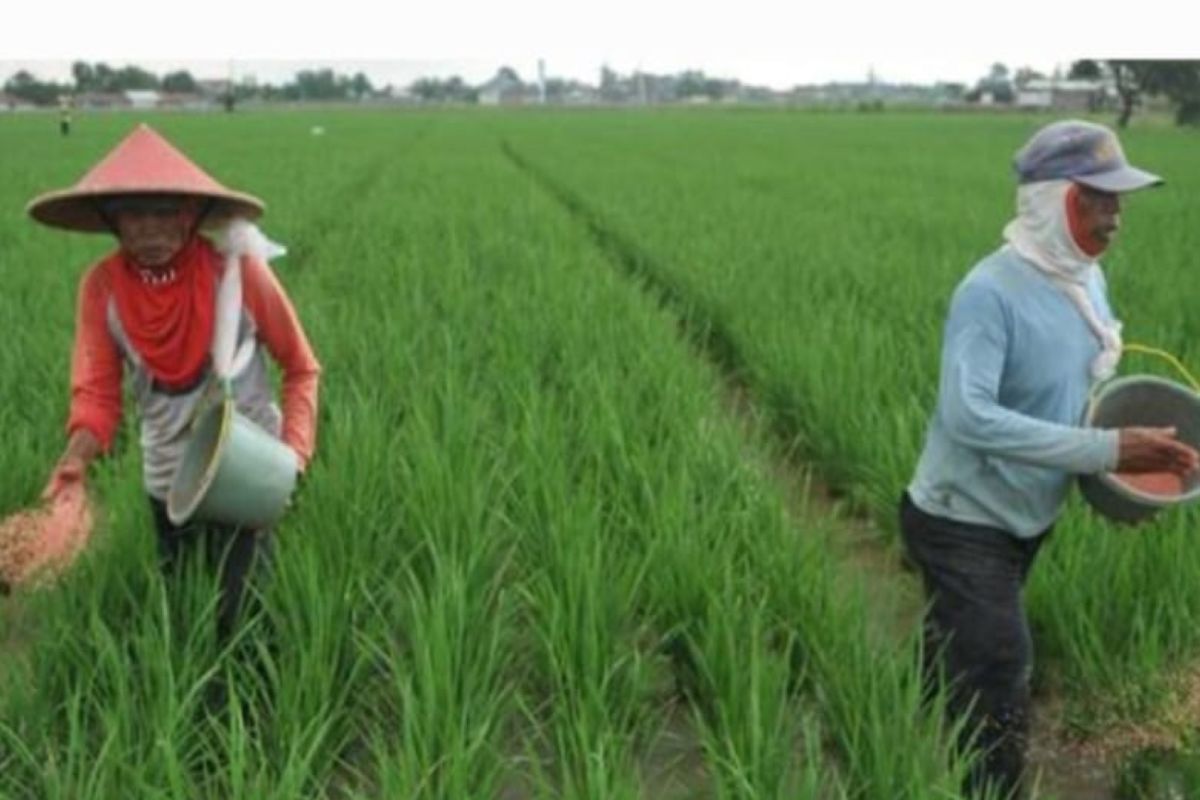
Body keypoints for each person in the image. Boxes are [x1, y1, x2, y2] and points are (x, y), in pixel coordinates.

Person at [899, 119, 1199, 798]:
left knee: (961, 639)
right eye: (1100, 197)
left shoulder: (1085, 283)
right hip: (960, 518)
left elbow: (1075, 397)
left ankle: (902, 717)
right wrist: (1106, 449)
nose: (1116, 214)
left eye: (1120, 199)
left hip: (1026, 513)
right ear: (1055, 200)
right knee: (1003, 662)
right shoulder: (990, 292)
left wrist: (1114, 477)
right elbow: (966, 416)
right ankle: (989, 787)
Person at [30, 123, 320, 642]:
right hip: (168, 474)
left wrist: (293, 457)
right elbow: (96, 394)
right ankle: (190, 706)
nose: (149, 231)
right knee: (183, 605)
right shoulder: (102, 289)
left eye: (164, 212)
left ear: (191, 214)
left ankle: (254, 713)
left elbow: (302, 366)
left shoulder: (237, 271)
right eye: (132, 215)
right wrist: (75, 459)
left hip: (244, 465)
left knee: (245, 612)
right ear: (111, 222)